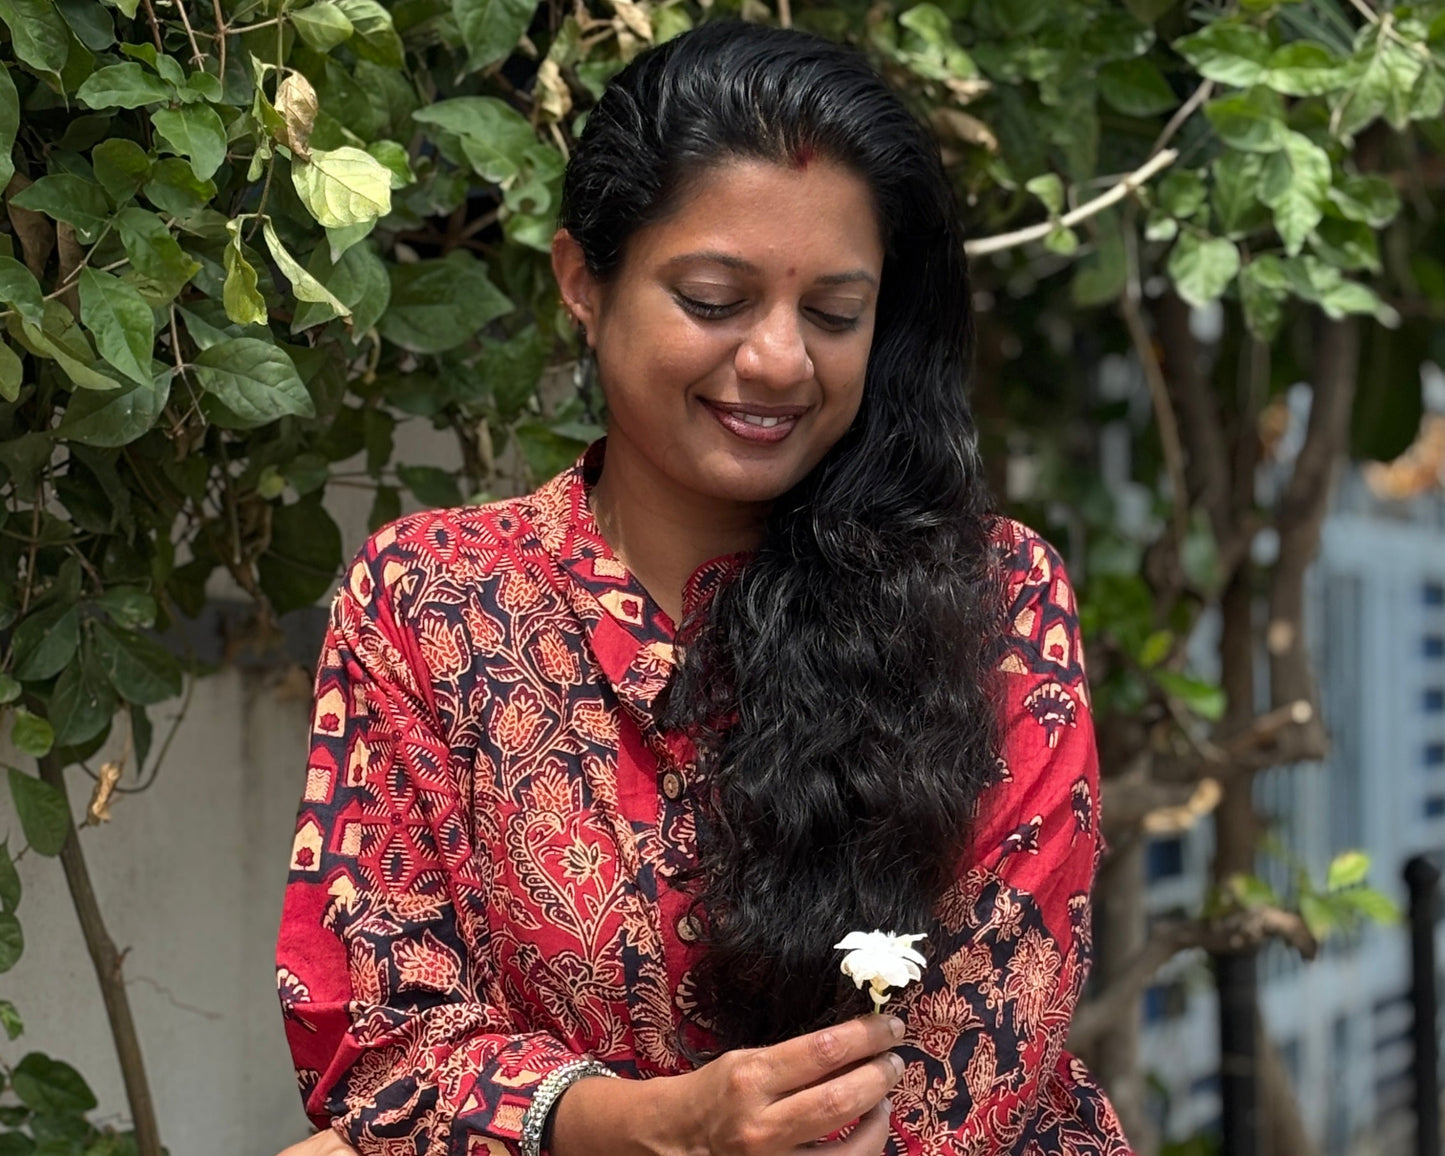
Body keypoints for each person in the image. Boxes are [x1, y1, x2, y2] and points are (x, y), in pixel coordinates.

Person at [275, 20, 1133, 1156]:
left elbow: (984, 1040)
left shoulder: (993, 600)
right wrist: (653, 1126)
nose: (780, 360)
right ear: (584, 280)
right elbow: (384, 1048)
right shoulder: (430, 600)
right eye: (715, 299)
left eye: (833, 315)